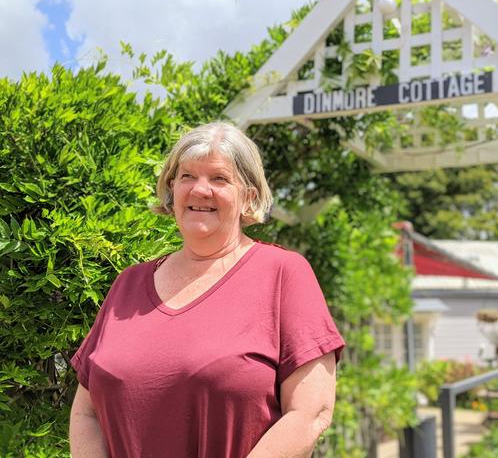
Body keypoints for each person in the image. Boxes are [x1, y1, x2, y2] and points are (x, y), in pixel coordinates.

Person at [69, 121, 345, 457]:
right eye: (187, 176)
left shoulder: (283, 274)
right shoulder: (128, 283)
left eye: (219, 179)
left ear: (249, 198)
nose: (200, 190)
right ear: (172, 191)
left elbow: (309, 413)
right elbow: (86, 412)